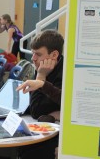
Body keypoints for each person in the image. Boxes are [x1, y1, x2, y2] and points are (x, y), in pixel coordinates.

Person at [15, 29, 64, 159]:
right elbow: (37, 109)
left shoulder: (65, 72)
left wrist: (41, 76)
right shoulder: (40, 67)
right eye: (32, 53)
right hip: (44, 125)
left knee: (31, 151)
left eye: (38, 54)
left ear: (54, 55)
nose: (33, 59)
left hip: (58, 134)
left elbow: (36, 110)